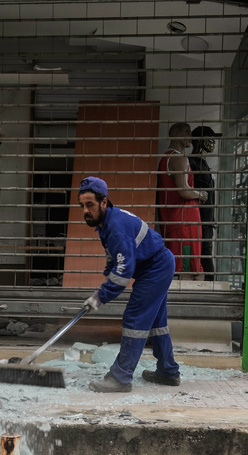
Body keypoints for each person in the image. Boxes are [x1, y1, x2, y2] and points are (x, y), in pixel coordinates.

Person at [77, 176, 182, 393]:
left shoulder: (116, 227)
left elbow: (124, 273)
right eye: (82, 206)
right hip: (157, 266)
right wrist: (104, 285)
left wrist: (100, 297)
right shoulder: (106, 224)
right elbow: (116, 259)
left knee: (135, 317)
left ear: (103, 202)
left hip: (156, 268)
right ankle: (168, 372)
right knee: (156, 322)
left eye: (90, 205)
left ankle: (120, 377)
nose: (85, 211)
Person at [157, 122, 207, 278]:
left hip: (173, 219)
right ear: (176, 135)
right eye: (187, 132)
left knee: (176, 261)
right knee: (186, 265)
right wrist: (201, 194)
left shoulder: (165, 159)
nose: (190, 137)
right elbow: (184, 190)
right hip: (184, 221)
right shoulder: (179, 158)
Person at [189, 125, 221, 280]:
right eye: (209, 138)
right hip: (198, 219)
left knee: (205, 253)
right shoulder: (191, 163)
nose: (212, 142)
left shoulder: (205, 164)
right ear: (199, 140)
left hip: (207, 220)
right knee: (203, 255)